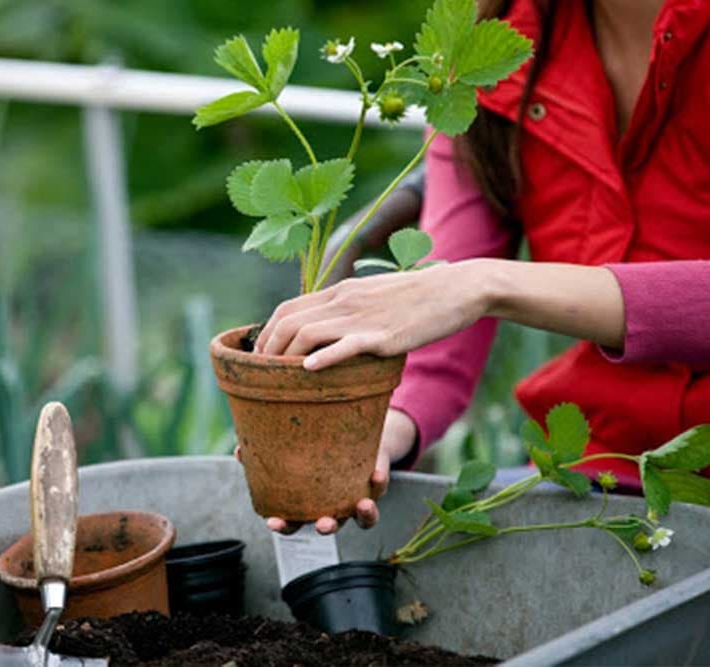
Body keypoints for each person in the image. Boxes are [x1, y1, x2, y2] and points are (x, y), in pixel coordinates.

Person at [251, 0, 710, 535]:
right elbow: (435, 324)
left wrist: (485, 283)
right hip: (611, 471)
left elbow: (458, 283)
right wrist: (377, 434)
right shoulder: (494, 46)